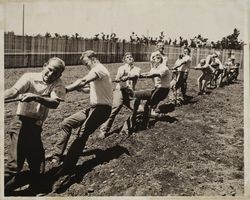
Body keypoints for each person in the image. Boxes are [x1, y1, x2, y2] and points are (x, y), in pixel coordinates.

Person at [4, 57, 66, 193]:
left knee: (37, 162)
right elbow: (14, 91)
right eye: (49, 70)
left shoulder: (58, 84)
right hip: (20, 123)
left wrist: (36, 97)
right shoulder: (29, 77)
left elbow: (54, 103)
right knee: (14, 165)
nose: (50, 74)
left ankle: (36, 189)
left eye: (55, 73)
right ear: (44, 66)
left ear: (59, 75)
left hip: (36, 126)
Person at [50, 50, 112, 167]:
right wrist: (78, 89)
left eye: (86, 63)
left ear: (93, 59)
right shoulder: (96, 71)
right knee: (66, 123)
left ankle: (68, 165)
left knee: (82, 134)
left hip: (102, 110)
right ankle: (57, 155)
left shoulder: (99, 69)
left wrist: (66, 89)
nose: (86, 67)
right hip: (93, 108)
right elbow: (88, 89)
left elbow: (83, 81)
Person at [98, 52, 141, 138]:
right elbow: (120, 75)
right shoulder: (121, 68)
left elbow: (135, 75)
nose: (129, 58)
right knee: (115, 109)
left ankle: (125, 129)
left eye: (131, 57)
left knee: (140, 110)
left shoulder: (137, 69)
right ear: (124, 60)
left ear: (133, 59)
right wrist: (120, 77)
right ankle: (104, 130)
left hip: (130, 93)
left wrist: (128, 77)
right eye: (127, 57)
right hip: (120, 91)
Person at [130, 52, 171, 131]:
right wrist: (140, 75)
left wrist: (144, 76)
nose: (152, 60)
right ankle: (139, 113)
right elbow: (149, 73)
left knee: (148, 105)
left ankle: (145, 124)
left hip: (163, 90)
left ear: (159, 59)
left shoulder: (164, 68)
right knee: (136, 94)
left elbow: (154, 75)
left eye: (154, 59)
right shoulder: (154, 68)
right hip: (156, 89)